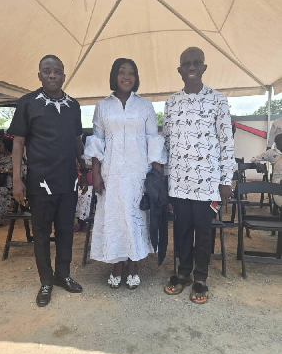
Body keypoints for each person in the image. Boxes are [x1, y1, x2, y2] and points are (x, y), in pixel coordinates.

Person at [8, 55, 88, 307]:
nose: (52, 75)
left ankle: (63, 275)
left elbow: (77, 142)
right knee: (42, 233)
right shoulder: (27, 103)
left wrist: (83, 171)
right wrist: (17, 179)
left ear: (64, 75)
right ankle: (45, 281)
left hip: (68, 182)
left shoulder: (74, 106)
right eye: (47, 71)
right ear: (39, 75)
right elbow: (18, 143)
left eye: (57, 71)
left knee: (66, 231)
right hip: (39, 182)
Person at [83, 58, 166, 289]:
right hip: (111, 173)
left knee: (136, 217)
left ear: (136, 78)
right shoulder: (102, 106)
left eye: (131, 72)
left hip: (139, 173)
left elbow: (153, 141)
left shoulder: (145, 106)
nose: (127, 76)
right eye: (122, 72)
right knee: (116, 218)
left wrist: (156, 177)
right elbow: (97, 142)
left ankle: (133, 265)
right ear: (114, 76)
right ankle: (116, 264)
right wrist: (96, 174)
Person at [163, 47, 235, 303]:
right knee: (182, 229)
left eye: (196, 63)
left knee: (204, 232)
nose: (191, 67)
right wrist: (166, 178)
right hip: (180, 182)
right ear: (180, 69)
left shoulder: (218, 100)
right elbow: (168, 143)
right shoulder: (170, 103)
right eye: (186, 64)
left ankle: (201, 278)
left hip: (208, 183)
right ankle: (183, 273)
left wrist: (226, 181)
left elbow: (227, 142)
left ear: (204, 68)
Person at [251, 133, 282, 208]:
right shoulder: (271, 152)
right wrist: (258, 164)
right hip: (278, 180)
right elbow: (254, 159)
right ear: (278, 142)